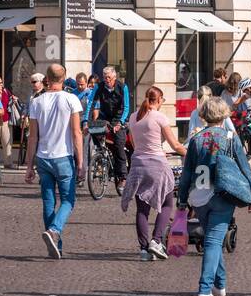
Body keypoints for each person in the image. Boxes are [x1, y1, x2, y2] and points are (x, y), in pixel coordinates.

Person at [176, 97, 251, 296]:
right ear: (224, 114)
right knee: (214, 241)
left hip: (199, 196)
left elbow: (186, 173)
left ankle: (219, 285)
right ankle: (204, 289)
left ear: (204, 115)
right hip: (223, 194)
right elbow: (244, 167)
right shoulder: (231, 137)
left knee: (213, 239)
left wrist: (182, 200)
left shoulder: (195, 139)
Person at [23, 64, 84, 258]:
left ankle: (56, 245)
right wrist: (81, 162)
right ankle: (54, 231)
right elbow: (76, 133)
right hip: (63, 157)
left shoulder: (37, 102)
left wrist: (29, 166)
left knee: (48, 201)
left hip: (43, 157)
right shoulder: (71, 99)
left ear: (46, 79)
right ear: (64, 78)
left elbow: (32, 137)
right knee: (68, 200)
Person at [121, 86, 185, 261]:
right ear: (160, 99)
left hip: (137, 165)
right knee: (167, 203)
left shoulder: (134, 117)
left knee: (142, 209)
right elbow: (175, 145)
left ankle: (143, 249)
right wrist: (192, 153)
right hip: (157, 164)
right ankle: (156, 241)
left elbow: (134, 143)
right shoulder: (160, 118)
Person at [85, 65, 131, 194]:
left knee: (118, 146)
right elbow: (90, 104)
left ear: (115, 77)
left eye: (109, 78)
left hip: (118, 118)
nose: (107, 80)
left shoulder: (122, 87)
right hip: (104, 117)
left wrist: (120, 123)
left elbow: (126, 107)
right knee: (94, 131)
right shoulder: (98, 87)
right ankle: (100, 154)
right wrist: (85, 121)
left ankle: (122, 177)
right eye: (105, 78)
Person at [0, 73, 15, 168]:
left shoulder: (5, 91)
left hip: (5, 121)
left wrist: (14, 99)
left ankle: (8, 163)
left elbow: (11, 99)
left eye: (1, 82)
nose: (1, 84)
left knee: (7, 143)